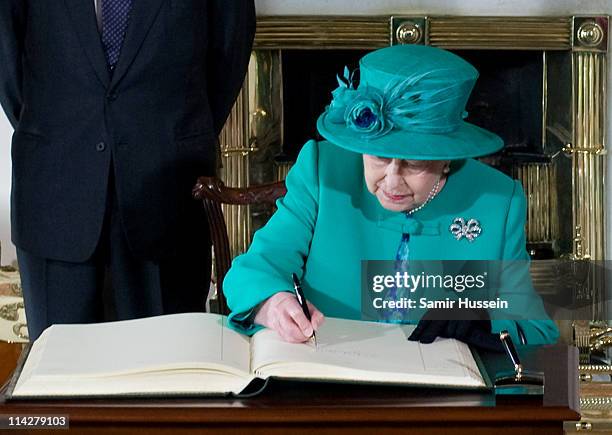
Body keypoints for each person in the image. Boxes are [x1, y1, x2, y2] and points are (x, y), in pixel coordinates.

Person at [223, 44, 559, 348]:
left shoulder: (497, 200)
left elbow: (534, 326)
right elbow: (251, 271)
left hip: (437, 396)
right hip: (328, 376)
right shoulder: (322, 170)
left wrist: (483, 319)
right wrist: (274, 303)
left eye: (414, 164)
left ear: (447, 158)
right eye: (380, 158)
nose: (392, 180)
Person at [0, 0, 255, 340]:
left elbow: (230, 45)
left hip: (169, 191)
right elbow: (6, 52)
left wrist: (173, 134)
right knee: (60, 381)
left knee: (168, 377)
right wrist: (58, 134)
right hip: (54, 190)